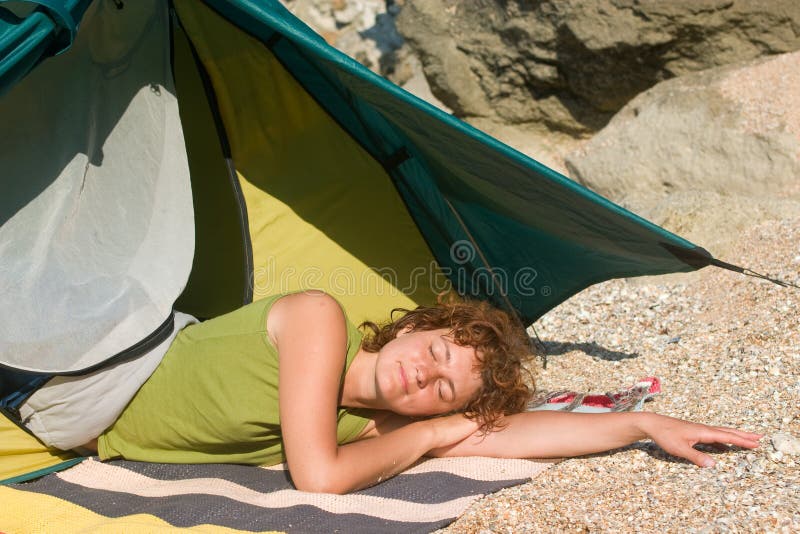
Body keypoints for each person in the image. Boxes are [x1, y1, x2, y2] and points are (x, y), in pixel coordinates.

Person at [80, 290, 762, 494]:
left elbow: (510, 435)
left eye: (442, 392)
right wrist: (434, 432)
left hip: (87, 425)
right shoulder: (320, 319)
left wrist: (642, 427)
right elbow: (319, 479)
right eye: (435, 352)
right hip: (99, 363)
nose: (423, 375)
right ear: (412, 327)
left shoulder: (369, 429)